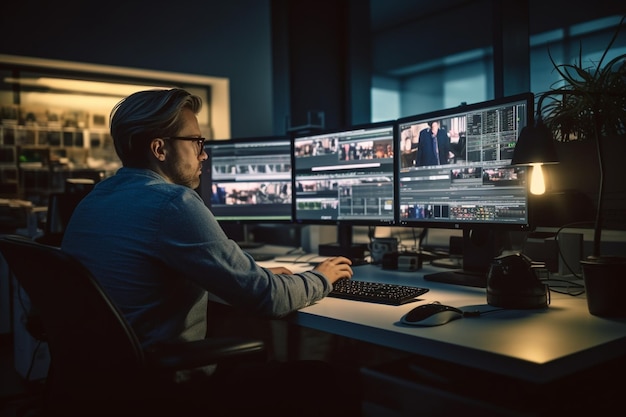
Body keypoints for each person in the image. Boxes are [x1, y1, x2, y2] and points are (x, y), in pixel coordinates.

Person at [61, 88, 359, 416]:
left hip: (102, 383)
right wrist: (321, 277)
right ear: (160, 148)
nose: (204, 155)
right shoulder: (173, 203)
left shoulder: (95, 199)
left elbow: (143, 276)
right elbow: (267, 299)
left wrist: (251, 276)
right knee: (324, 379)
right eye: (196, 142)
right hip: (163, 388)